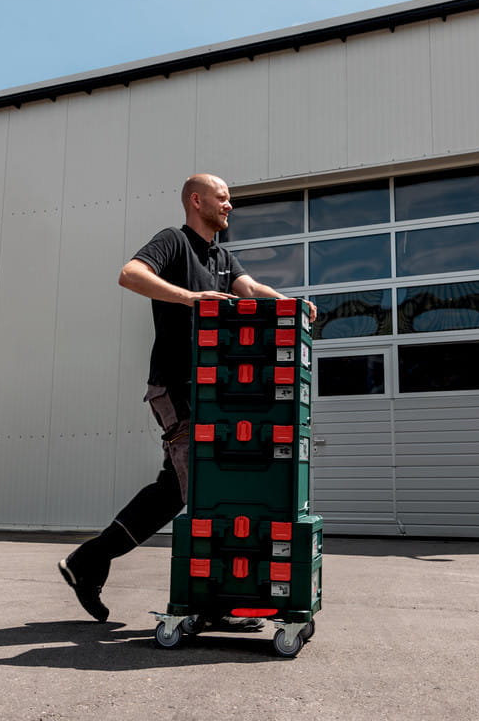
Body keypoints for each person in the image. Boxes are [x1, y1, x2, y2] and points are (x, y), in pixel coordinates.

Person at [58, 173, 316, 622]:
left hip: (209, 393)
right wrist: (189, 298)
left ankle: (89, 561)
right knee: (203, 487)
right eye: (222, 198)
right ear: (197, 201)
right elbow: (130, 275)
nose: (229, 205)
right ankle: (214, 598)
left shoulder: (221, 256)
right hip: (175, 385)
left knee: (175, 490)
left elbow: (251, 290)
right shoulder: (173, 242)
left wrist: (290, 303)